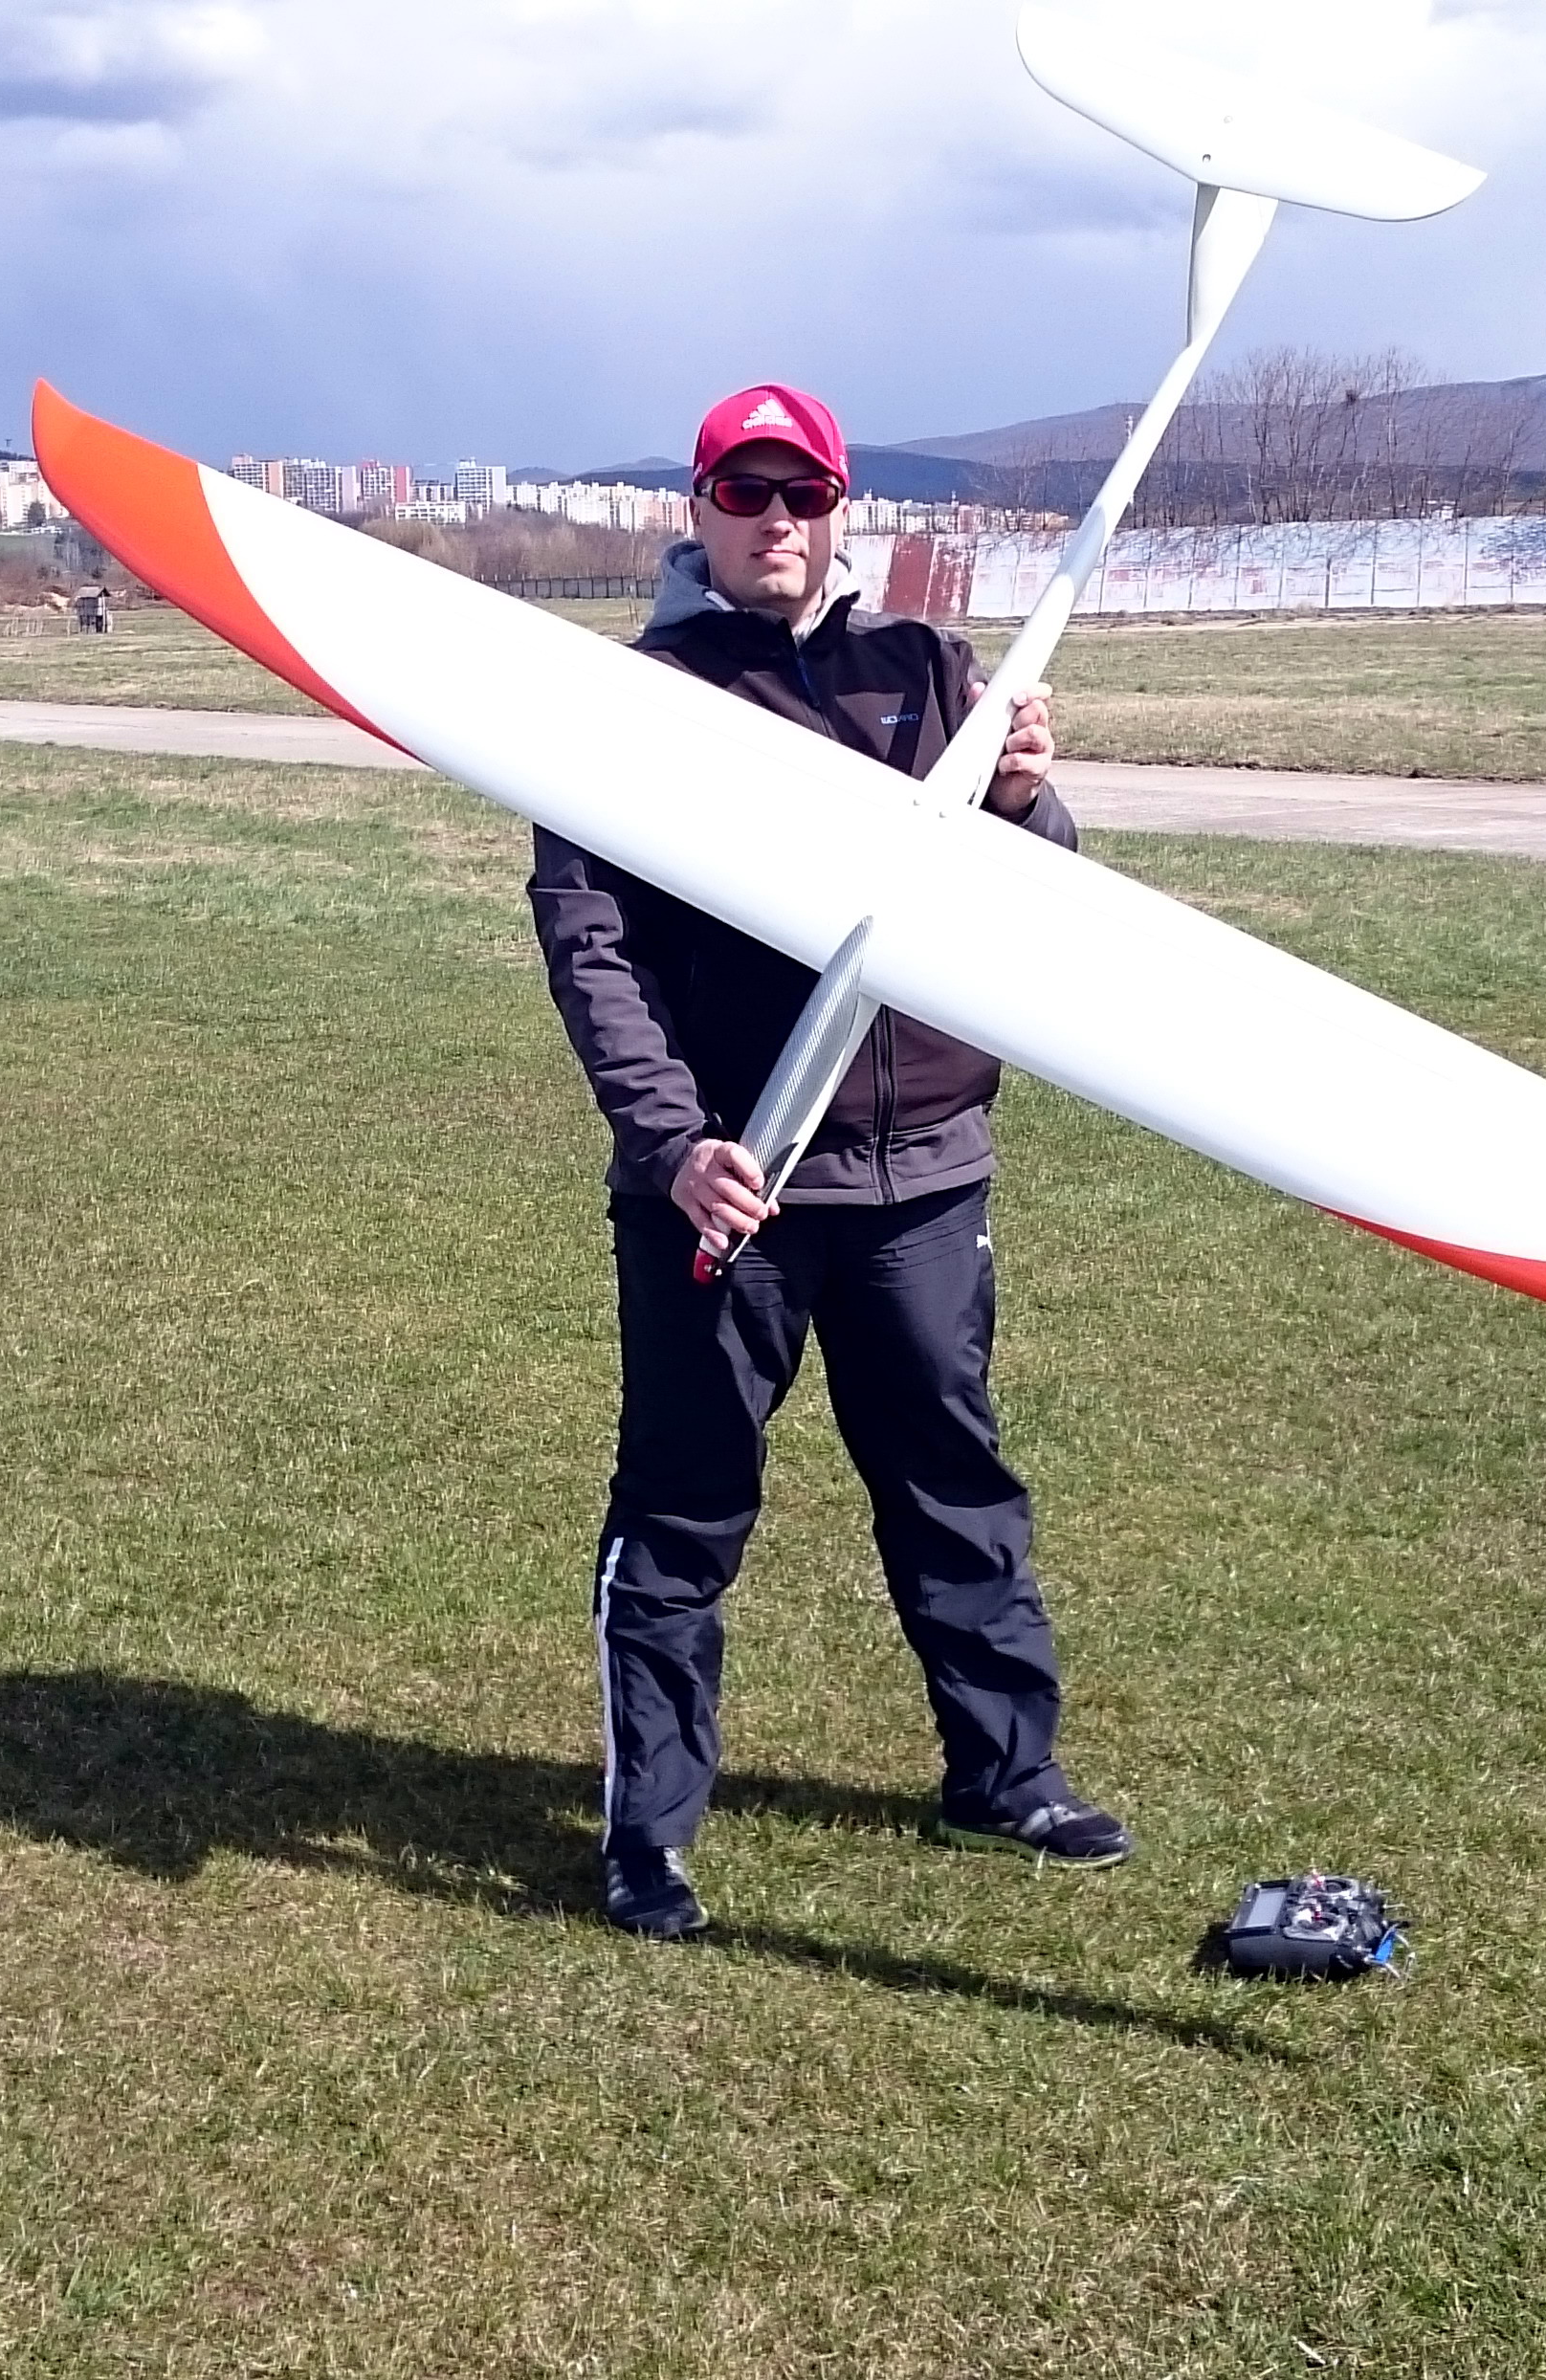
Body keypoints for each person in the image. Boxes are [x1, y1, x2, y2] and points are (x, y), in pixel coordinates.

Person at [528, 380, 1135, 1942]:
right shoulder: (633, 703)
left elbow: (1033, 895)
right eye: (746, 494)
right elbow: (591, 946)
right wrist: (674, 1145)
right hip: (727, 1187)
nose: (777, 522)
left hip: (923, 1174)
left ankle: (1007, 1776)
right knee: (683, 1506)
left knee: (952, 1480)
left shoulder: (927, 670)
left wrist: (1024, 800)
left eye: (802, 495)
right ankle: (650, 1835)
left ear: (837, 509)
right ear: (700, 512)